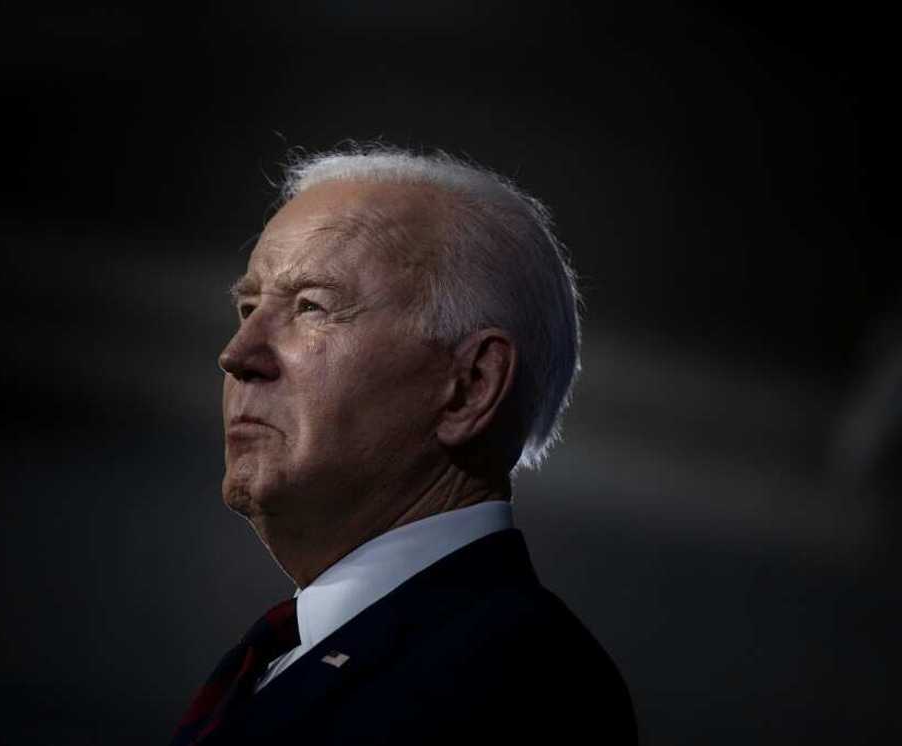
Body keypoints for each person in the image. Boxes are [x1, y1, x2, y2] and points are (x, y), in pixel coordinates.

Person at [170, 144, 638, 745]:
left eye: (312, 307)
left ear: (470, 386)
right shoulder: (274, 662)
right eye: (248, 308)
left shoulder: (520, 681)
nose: (236, 356)